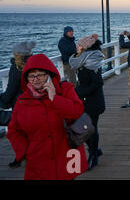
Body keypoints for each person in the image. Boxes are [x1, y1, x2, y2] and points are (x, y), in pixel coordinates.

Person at [7, 54, 89, 180]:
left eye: (40, 74)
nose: (36, 79)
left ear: (49, 74)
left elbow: (77, 111)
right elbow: (13, 131)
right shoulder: (22, 101)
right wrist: (25, 152)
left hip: (67, 155)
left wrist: (54, 98)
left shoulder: (64, 89)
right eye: (31, 76)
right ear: (26, 78)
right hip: (38, 160)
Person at [69, 34, 105, 170]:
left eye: (79, 45)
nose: (77, 47)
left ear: (85, 48)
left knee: (91, 129)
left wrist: (78, 92)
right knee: (83, 128)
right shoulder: (84, 59)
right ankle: (95, 150)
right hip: (84, 100)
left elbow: (98, 83)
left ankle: (94, 156)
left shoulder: (91, 63)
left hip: (94, 102)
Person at [0, 41, 36, 169]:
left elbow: (11, 89)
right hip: (35, 103)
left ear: (18, 55)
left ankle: (22, 157)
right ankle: (28, 156)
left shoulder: (16, 68)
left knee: (18, 134)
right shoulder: (34, 64)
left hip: (21, 105)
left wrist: (3, 101)